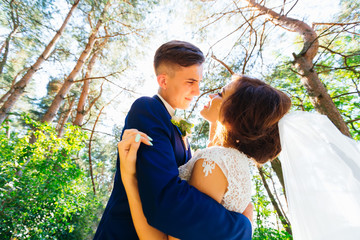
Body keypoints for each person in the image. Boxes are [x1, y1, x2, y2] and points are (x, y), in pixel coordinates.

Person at [119, 75, 360, 240]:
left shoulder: (214, 164)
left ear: (233, 116)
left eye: (221, 94)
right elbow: (216, 146)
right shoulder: (234, 161)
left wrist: (129, 178)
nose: (211, 94)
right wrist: (218, 120)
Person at [93, 41, 252, 240]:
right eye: (190, 82)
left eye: (198, 82)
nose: (197, 91)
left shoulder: (176, 125)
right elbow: (165, 199)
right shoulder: (148, 109)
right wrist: (241, 227)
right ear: (164, 81)